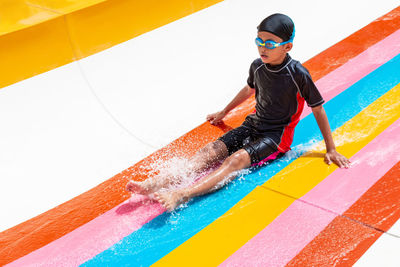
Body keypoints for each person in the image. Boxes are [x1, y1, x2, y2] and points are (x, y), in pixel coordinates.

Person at [126, 13, 350, 211]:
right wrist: (224, 111)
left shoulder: (298, 74)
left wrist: (331, 148)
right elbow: (250, 88)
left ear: (287, 47)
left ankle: (180, 194)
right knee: (209, 151)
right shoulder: (257, 65)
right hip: (253, 124)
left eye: (270, 43)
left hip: (276, 137)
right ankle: (153, 184)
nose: (263, 47)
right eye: (259, 41)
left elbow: (318, 108)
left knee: (234, 161)